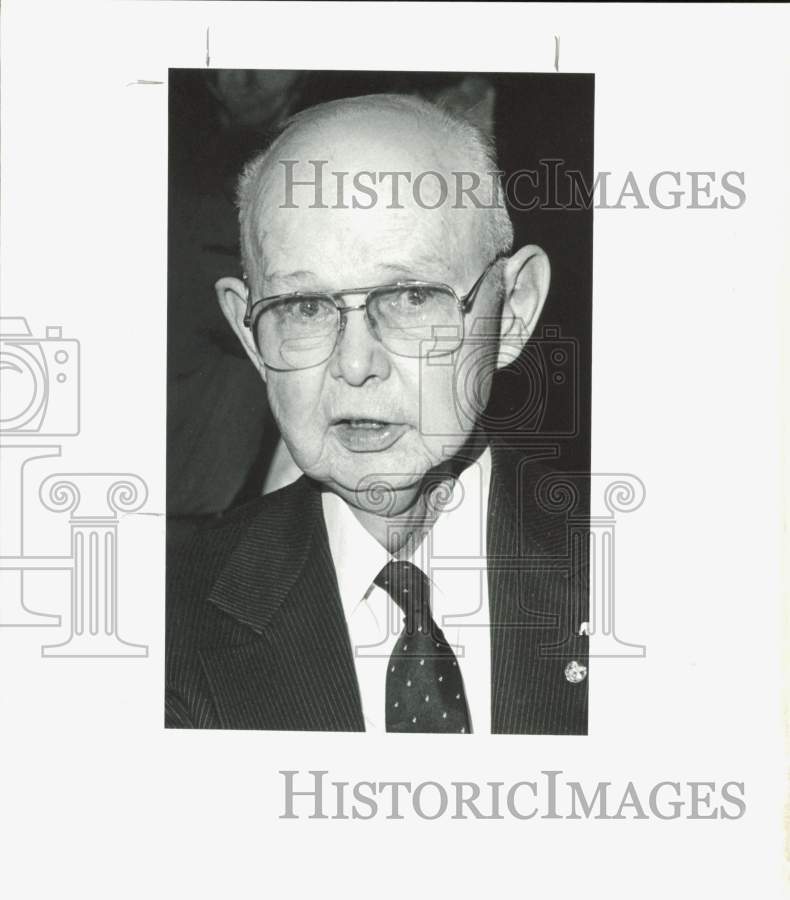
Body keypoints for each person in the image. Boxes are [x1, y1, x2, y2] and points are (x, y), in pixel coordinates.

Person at [166, 93, 588, 734]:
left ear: (514, 311)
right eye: (304, 307)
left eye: (412, 296)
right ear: (251, 336)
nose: (356, 364)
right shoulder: (163, 627)